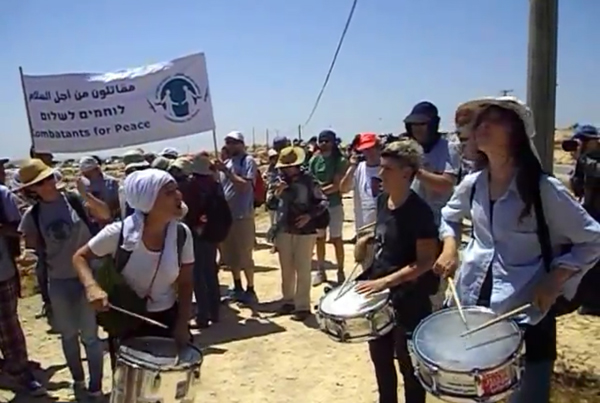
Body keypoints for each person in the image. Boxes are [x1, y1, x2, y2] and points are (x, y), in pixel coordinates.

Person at [434, 96, 600, 403]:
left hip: (526, 316)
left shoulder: (543, 190)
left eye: (493, 119)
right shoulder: (472, 184)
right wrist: (450, 246)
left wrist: (556, 278)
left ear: (517, 132)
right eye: (479, 121)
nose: (481, 125)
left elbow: (592, 239)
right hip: (474, 311)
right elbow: (448, 216)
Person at [72, 169, 195, 362]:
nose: (178, 195)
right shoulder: (118, 234)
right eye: (169, 192)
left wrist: (182, 324)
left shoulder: (181, 234)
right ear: (148, 200)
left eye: (176, 190)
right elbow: (80, 257)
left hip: (166, 321)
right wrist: (91, 287)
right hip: (126, 323)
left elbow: (186, 283)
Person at [355, 138, 440, 403]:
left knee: (410, 369)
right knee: (381, 363)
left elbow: (425, 261)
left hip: (410, 301)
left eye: (387, 169)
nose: (380, 174)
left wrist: (386, 282)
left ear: (406, 173)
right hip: (380, 300)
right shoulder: (383, 201)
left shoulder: (420, 212)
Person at [18, 159, 110, 399]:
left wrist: (86, 194)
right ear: (32, 189)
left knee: (90, 336)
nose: (48, 184)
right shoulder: (33, 216)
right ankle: (78, 381)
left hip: (87, 278)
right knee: (68, 335)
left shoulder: (75, 201)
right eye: (41, 182)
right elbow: (35, 251)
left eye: (49, 178)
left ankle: (96, 386)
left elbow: (105, 215)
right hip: (57, 282)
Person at [267, 146, 328, 321]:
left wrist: (309, 216)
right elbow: (269, 205)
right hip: (283, 229)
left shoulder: (309, 180)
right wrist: (277, 194)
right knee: (286, 268)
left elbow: (322, 202)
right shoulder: (277, 181)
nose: (286, 169)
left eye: (290, 166)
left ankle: (302, 306)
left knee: (303, 268)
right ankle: (288, 301)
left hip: (305, 231)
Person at [0, 181, 46, 395]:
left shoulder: (2, 195)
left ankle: (20, 373)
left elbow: (18, 230)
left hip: (1, 273)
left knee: (8, 326)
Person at [184, 154, 232, 326]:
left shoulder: (192, 185)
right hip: (212, 233)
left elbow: (189, 211)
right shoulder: (215, 185)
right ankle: (215, 312)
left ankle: (202, 316)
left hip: (197, 234)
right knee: (210, 273)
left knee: (198, 275)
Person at [215, 131, 258, 304]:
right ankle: (237, 286)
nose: (230, 145)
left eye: (234, 142)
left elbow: (244, 187)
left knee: (245, 255)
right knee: (231, 255)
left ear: (241, 143)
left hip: (242, 216)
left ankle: (250, 288)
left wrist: (227, 171)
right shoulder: (226, 163)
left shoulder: (248, 161)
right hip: (227, 216)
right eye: (228, 142)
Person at [308, 129, 347, 286]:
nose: (324, 143)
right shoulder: (314, 160)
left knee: (336, 238)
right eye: (321, 140)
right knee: (320, 239)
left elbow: (337, 185)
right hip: (319, 206)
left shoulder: (339, 160)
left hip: (334, 204)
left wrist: (319, 191)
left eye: (327, 141)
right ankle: (321, 270)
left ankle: (340, 270)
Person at [340, 133, 382, 237]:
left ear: (378, 148)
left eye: (372, 148)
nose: (369, 152)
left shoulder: (387, 167)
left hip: (385, 225)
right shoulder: (358, 168)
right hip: (364, 227)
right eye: (365, 149)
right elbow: (344, 189)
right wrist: (352, 167)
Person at [78, 156, 120, 233]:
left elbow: (114, 207)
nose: (87, 177)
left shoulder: (111, 183)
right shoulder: (82, 185)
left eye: (89, 174)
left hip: (111, 225)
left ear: (97, 169)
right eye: (84, 174)